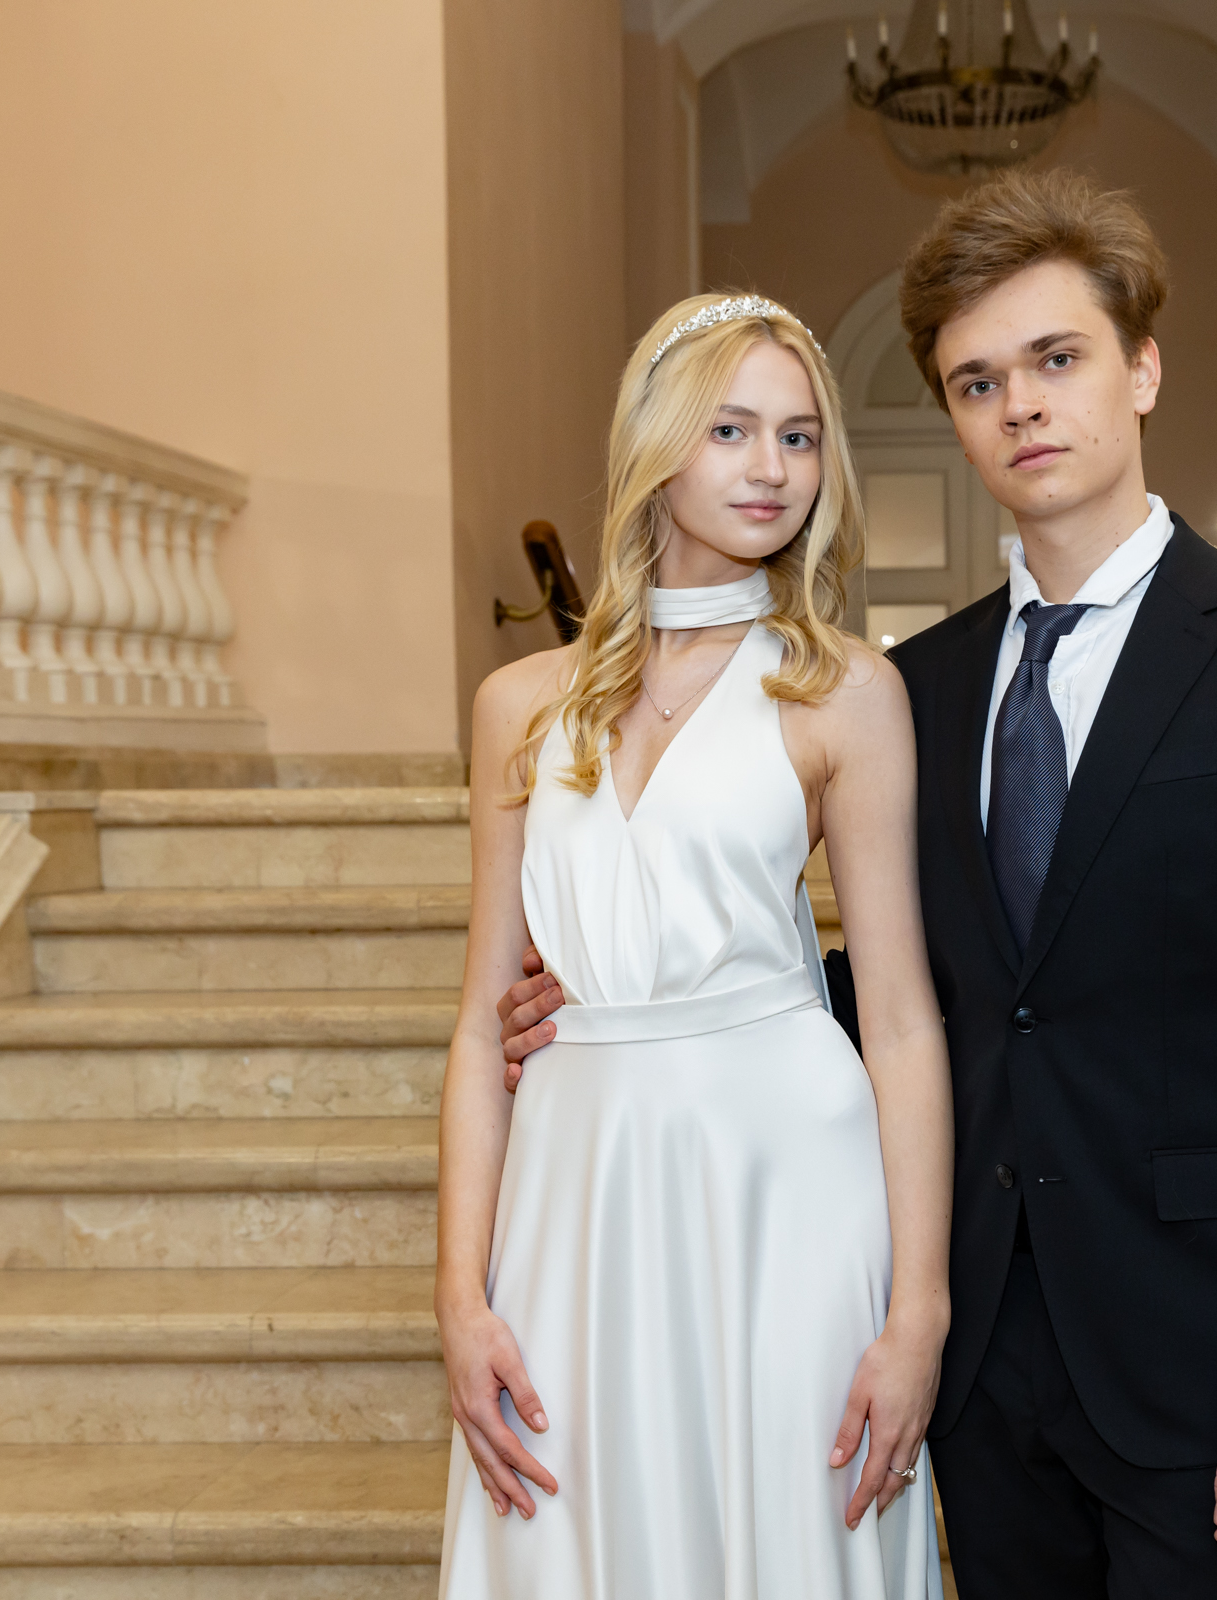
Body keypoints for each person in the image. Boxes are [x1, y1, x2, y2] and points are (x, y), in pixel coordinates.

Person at [503, 170, 1217, 1598]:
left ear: (1143, 370)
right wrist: (641, 999)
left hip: (1205, 1360)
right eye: (978, 382)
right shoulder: (916, 685)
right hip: (983, 1365)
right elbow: (930, 979)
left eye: (1057, 360)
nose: (1021, 408)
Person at [436, 292, 951, 1600]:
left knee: (788, 1536)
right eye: (730, 429)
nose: (772, 466)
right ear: (657, 446)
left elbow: (899, 1020)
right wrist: (460, 1299)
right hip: (575, 1188)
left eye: (799, 435)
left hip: (789, 1188)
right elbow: (480, 1024)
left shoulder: (845, 691)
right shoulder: (517, 706)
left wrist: (919, 1311)